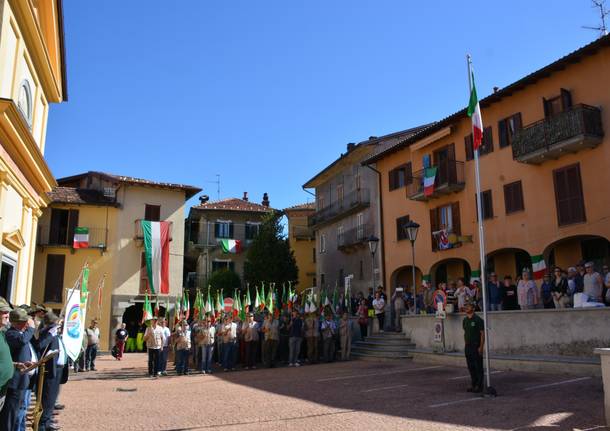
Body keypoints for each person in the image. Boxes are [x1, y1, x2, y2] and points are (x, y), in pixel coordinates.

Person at [0, 308, 35, 430]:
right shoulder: (11, 333)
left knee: (17, 414)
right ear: (17, 323)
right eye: (23, 322)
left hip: (21, 381)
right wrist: (31, 328)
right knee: (8, 417)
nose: (26, 324)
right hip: (14, 383)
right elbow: (22, 341)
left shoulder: (20, 333)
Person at [35, 311, 69, 431]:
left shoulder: (56, 334)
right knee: (48, 398)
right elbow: (40, 346)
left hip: (58, 370)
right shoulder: (46, 333)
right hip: (49, 371)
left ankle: (47, 421)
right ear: (51, 323)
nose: (59, 326)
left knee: (52, 398)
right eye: (57, 324)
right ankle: (42, 425)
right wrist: (50, 334)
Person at [462, 301, 485, 393]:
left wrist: (481, 347)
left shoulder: (478, 320)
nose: (466, 308)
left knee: (478, 366)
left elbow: (482, 334)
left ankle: (479, 386)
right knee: (470, 366)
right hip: (468, 346)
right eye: (466, 306)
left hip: (476, 345)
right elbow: (465, 332)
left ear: (473, 308)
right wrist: (465, 344)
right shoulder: (465, 320)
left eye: (468, 306)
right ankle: (473, 384)